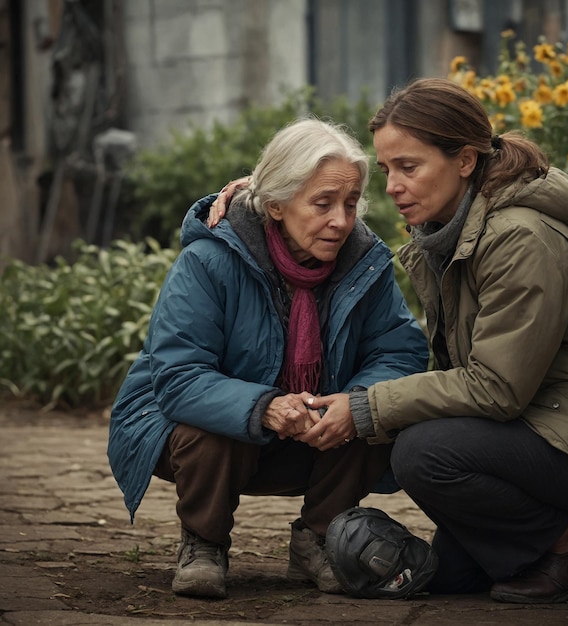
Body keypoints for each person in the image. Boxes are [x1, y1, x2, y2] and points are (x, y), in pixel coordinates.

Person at [298, 78, 568, 604]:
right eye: (386, 170)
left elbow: (496, 387)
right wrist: (256, 196)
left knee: (422, 452)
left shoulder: (520, 238)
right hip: (529, 421)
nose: (393, 187)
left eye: (409, 167)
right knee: (446, 579)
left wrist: (366, 408)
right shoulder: (449, 230)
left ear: (466, 161)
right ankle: (519, 546)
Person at [107, 117, 429, 599]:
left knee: (377, 411)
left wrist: (351, 403)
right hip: (193, 435)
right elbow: (178, 378)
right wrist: (265, 407)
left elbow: (397, 350)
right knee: (214, 426)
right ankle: (204, 541)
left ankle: (319, 540)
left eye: (349, 203)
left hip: (311, 436)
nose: (340, 220)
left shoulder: (366, 264)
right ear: (276, 205)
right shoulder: (209, 261)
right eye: (322, 203)